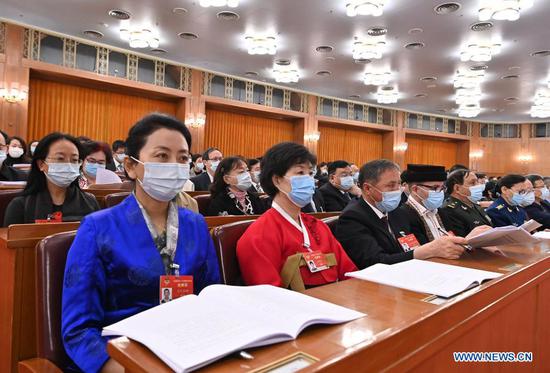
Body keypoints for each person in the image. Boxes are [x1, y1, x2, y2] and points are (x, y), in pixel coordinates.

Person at [61, 113, 220, 373]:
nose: (175, 165)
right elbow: (79, 331)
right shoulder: (98, 228)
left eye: (182, 158)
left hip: (189, 350)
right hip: (123, 355)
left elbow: (212, 297)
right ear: (131, 166)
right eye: (162, 156)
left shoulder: (195, 224)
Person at [237, 142, 357, 288]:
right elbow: (269, 297)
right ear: (277, 180)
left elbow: (349, 274)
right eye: (300, 173)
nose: (309, 179)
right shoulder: (258, 236)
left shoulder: (319, 226)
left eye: (310, 173)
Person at [334, 159, 469, 269]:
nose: (397, 190)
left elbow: (407, 247)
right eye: (391, 186)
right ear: (367, 188)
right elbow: (374, 262)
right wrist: (425, 251)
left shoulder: (396, 212)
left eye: (399, 185)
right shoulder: (352, 218)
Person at [4, 133, 100, 226]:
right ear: (41, 164)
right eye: (60, 158)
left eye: (74, 160)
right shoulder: (20, 205)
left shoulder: (90, 202)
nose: (69, 165)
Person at [398, 164, 449, 244]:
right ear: (415, 189)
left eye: (442, 188)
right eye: (435, 188)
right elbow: (417, 250)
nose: (440, 192)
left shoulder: (440, 212)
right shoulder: (402, 215)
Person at [439, 169, 493, 238]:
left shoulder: (473, 204)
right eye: (473, 183)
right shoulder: (449, 210)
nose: (478, 186)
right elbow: (460, 241)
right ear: (457, 188)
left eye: (477, 182)